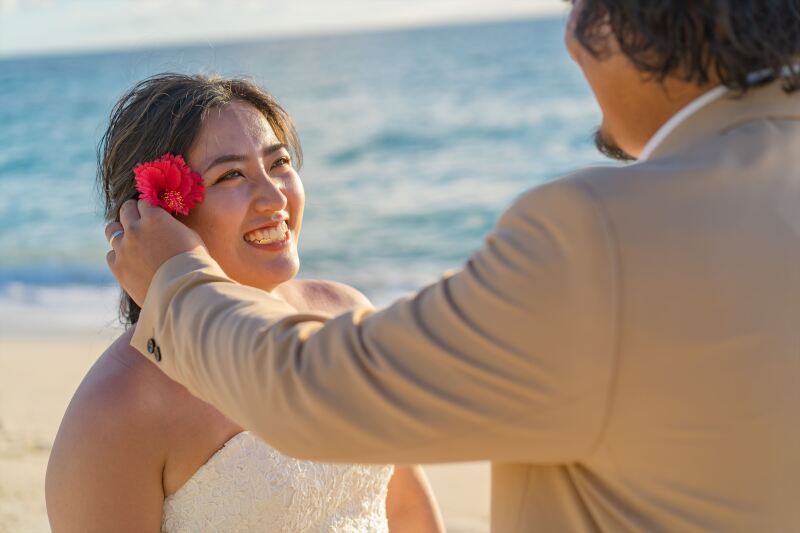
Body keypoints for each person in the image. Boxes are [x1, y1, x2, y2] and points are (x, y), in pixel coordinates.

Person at [106, 1, 800, 531]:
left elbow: (318, 395)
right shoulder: (117, 410)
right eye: (230, 174)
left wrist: (176, 281)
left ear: (627, 27)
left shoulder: (600, 235)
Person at [45, 74, 444, 533]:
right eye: (231, 174)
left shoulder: (344, 311)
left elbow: (410, 509)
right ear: (157, 214)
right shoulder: (119, 404)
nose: (275, 197)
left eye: (279, 163)